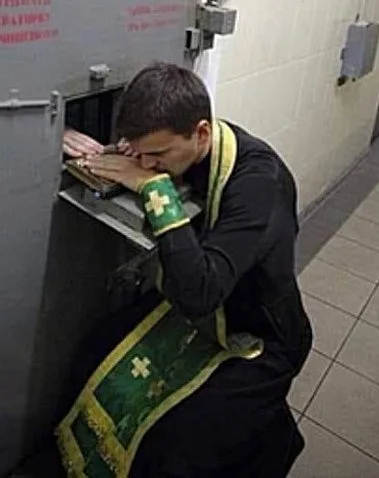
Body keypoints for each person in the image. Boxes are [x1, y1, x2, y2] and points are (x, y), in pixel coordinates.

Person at [54, 62, 311, 477]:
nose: (145, 164)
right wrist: (70, 139)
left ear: (202, 133)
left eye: (156, 155)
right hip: (205, 309)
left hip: (256, 332)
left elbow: (199, 295)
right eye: (138, 153)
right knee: (96, 352)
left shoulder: (259, 182)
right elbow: (141, 153)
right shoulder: (178, 143)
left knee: (178, 445)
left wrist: (154, 189)